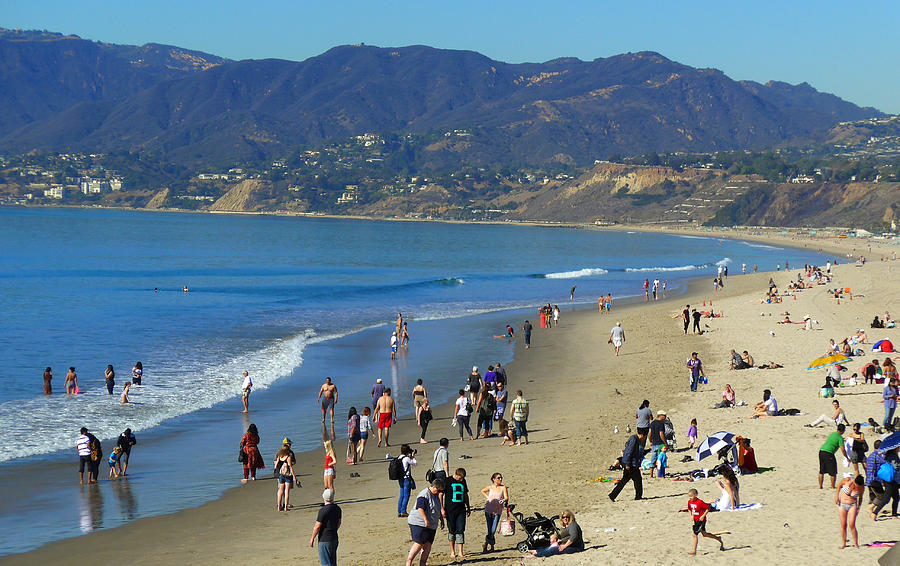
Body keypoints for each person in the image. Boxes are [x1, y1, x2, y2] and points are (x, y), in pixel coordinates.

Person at [406, 479, 445, 566]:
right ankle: (409, 562)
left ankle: (422, 563)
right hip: (418, 522)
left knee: (428, 544)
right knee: (420, 542)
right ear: (434, 486)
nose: (439, 492)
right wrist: (425, 519)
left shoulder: (436, 495)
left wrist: (441, 520)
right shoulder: (424, 494)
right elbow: (420, 508)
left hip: (431, 525)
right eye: (438, 490)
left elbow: (437, 509)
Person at [680, 488, 725, 554]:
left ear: (696, 495)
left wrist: (703, 516)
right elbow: (689, 509)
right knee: (705, 534)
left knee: (694, 535)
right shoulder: (689, 502)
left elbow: (708, 508)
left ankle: (694, 551)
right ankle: (718, 538)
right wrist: (691, 515)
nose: (690, 498)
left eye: (691, 496)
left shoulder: (700, 502)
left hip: (701, 521)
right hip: (695, 520)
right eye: (689, 497)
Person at [442, 468, 470, 560]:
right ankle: (452, 551)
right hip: (450, 510)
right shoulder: (447, 481)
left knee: (460, 530)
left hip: (461, 510)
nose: (461, 480)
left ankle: (460, 552)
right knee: (451, 531)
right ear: (457, 475)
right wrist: (442, 509)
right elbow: (440, 495)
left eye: (462, 478)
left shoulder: (463, 481)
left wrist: (468, 507)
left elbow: (465, 494)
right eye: (460, 478)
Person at [309, 488, 341, 566]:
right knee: (333, 562)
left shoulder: (323, 510)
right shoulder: (337, 508)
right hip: (334, 537)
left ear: (324, 498)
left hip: (324, 539)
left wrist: (312, 538)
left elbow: (317, 526)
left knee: (326, 563)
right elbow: (339, 523)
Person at [609, 433, 643, 501]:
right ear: (642, 435)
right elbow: (629, 452)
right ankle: (638, 496)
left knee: (625, 480)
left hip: (629, 463)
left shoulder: (633, 439)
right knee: (637, 480)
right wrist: (627, 464)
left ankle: (612, 495)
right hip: (631, 465)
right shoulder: (634, 440)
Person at [481, 472, 509, 553]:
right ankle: (492, 546)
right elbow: (482, 491)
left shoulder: (503, 487)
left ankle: (486, 544)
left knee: (493, 530)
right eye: (498, 478)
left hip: (497, 511)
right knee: (490, 530)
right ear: (493, 479)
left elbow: (506, 497)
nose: (500, 479)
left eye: (501, 478)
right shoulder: (490, 487)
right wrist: (488, 497)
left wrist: (503, 500)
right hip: (488, 510)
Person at [836, 475, 864, 549]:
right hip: (842, 504)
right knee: (843, 524)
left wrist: (858, 507)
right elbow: (839, 486)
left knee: (852, 524)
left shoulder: (861, 487)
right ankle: (843, 543)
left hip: (852, 505)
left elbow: (860, 497)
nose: (856, 486)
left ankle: (856, 543)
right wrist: (836, 497)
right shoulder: (847, 480)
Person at [818, 424, 849, 489]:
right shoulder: (840, 438)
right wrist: (847, 457)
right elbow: (843, 449)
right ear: (843, 430)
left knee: (821, 470)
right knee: (833, 471)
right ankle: (832, 486)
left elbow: (834, 439)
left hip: (821, 451)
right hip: (829, 453)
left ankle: (820, 486)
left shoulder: (832, 434)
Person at [274, 442, 297, 511]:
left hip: (281, 475)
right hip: (287, 475)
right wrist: (294, 477)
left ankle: (279, 507)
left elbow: (276, 464)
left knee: (280, 490)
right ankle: (286, 507)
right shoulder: (288, 457)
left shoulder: (279, 456)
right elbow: (290, 467)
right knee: (287, 491)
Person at [398, 444, 417, 517]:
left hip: (400, 478)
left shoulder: (399, 457)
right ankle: (403, 511)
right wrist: (413, 456)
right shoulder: (406, 458)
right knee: (406, 495)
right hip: (406, 478)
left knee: (401, 495)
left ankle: (399, 511)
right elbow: (415, 463)